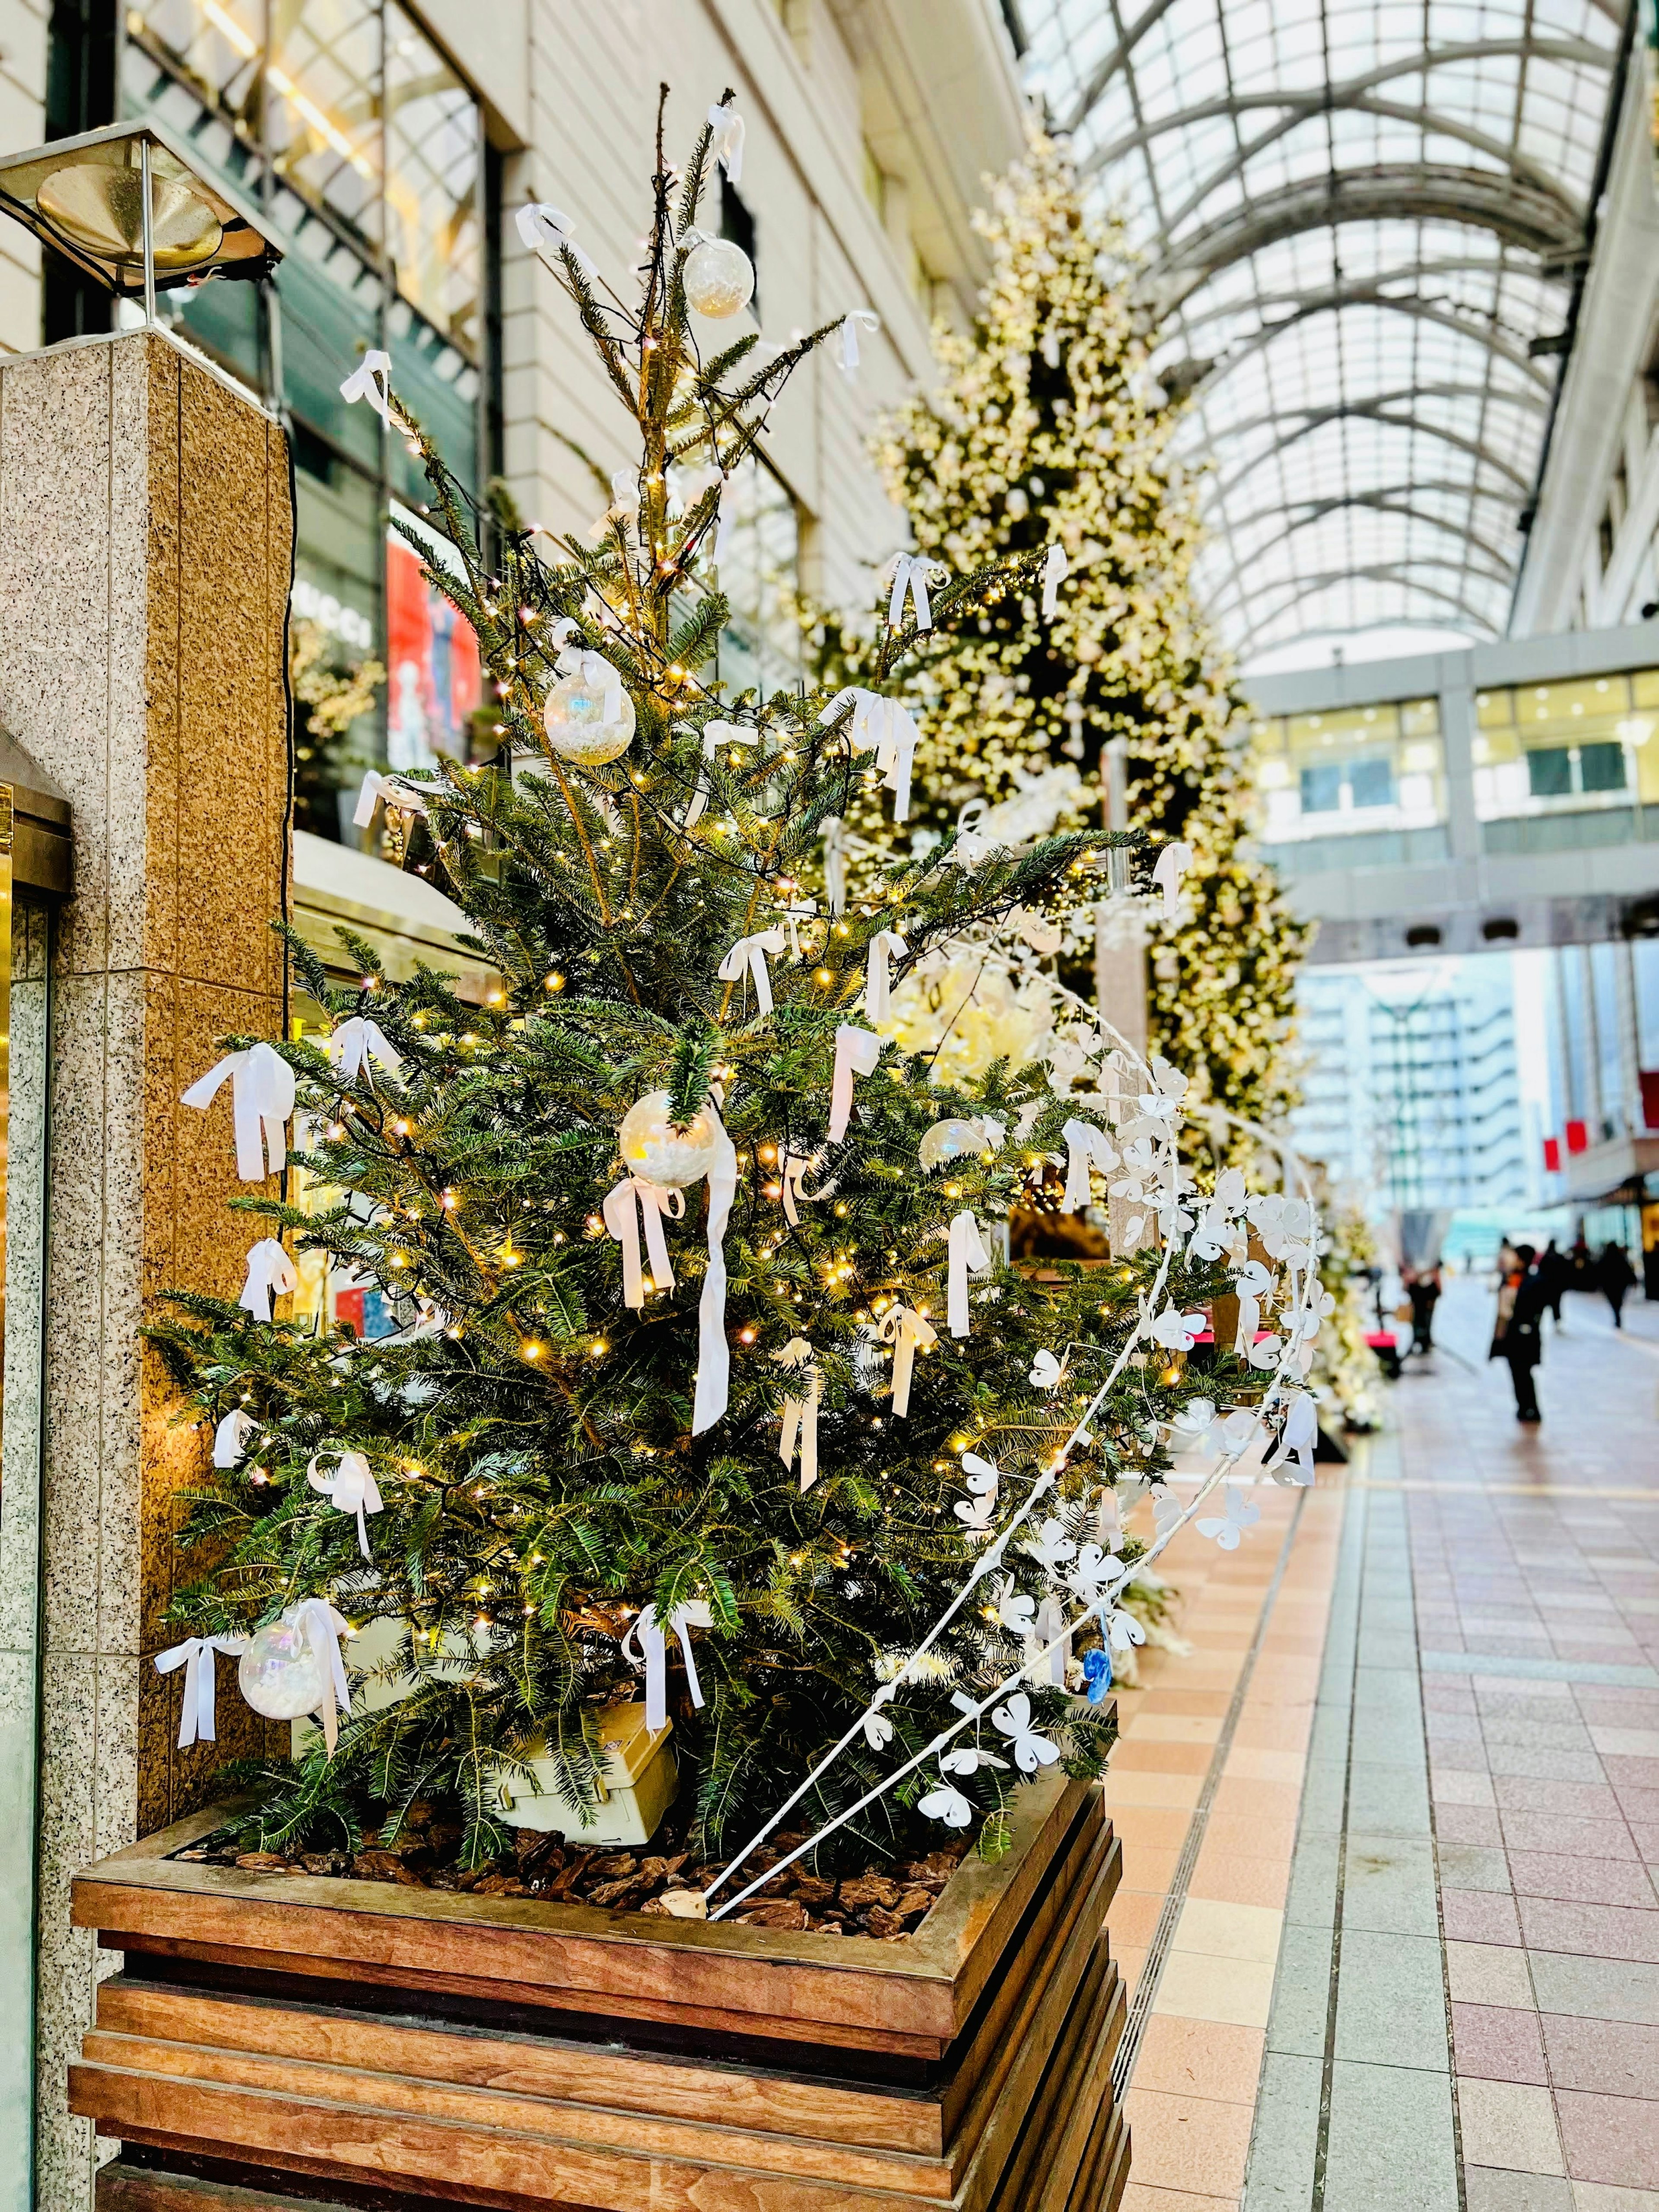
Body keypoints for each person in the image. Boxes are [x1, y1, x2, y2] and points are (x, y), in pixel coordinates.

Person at [1490, 1242, 1546, 1423]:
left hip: (1526, 1336)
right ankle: (1523, 1407)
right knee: (1516, 1373)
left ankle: (1532, 1408)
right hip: (1512, 1336)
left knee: (1525, 1373)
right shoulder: (1509, 1280)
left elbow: (1534, 1307)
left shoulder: (1535, 1281)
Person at [1597, 1242, 1637, 1330]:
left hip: (1609, 1286)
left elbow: (1598, 1272)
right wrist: (1633, 1281)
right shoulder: (1620, 1258)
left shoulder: (1605, 1259)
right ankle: (1618, 1315)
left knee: (1614, 1302)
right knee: (1618, 1301)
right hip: (1620, 1285)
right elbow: (1628, 1270)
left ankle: (1617, 1315)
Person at [1406, 1263, 1442, 1354]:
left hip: (1427, 1287)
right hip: (1416, 1285)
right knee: (1418, 1315)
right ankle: (1419, 1339)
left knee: (1426, 1316)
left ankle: (1424, 1340)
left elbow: (1437, 1267)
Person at [1538, 1239, 1571, 1329]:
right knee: (1556, 1305)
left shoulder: (1545, 1257)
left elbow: (1540, 1271)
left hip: (1547, 1286)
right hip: (1556, 1286)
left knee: (1543, 1305)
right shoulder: (1559, 1257)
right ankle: (1557, 1321)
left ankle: (1539, 1320)